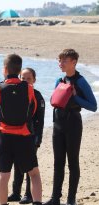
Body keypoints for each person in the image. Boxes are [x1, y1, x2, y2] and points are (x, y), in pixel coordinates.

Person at [43, 49, 97, 205]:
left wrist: (75, 96)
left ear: (74, 62)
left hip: (73, 124)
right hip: (58, 124)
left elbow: (93, 106)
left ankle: (71, 199)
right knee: (58, 162)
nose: (60, 64)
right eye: (59, 61)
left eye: (64, 61)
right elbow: (54, 101)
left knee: (72, 161)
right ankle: (55, 198)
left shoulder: (81, 82)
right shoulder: (59, 80)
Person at [0, 54, 42, 205]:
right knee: (34, 174)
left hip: (5, 137)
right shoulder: (29, 88)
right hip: (24, 136)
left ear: (5, 69)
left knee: (3, 176)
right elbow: (32, 111)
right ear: (19, 70)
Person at [7, 67, 45, 204]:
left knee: (30, 167)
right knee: (17, 165)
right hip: (16, 135)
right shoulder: (16, 93)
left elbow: (40, 121)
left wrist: (38, 139)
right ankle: (16, 193)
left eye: (29, 78)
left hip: (31, 136)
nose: (26, 81)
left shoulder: (38, 96)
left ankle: (28, 194)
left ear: (34, 80)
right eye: (23, 78)